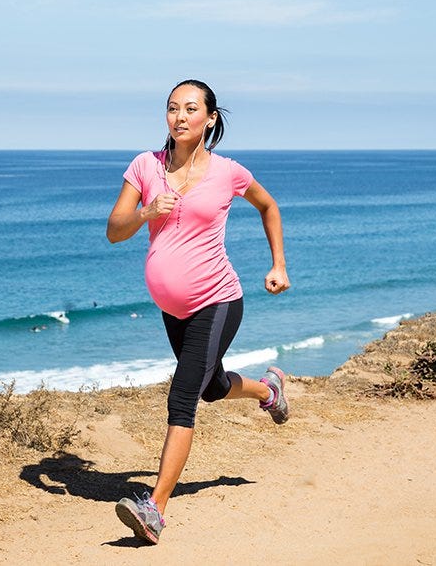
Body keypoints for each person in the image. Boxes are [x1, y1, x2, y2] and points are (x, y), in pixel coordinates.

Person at [106, 79, 291, 545]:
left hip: (218, 299)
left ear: (210, 119)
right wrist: (148, 211)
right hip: (174, 308)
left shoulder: (228, 172)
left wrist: (278, 264)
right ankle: (269, 391)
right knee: (210, 387)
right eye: (172, 108)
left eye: (191, 109)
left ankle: (154, 510)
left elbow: (269, 206)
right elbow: (114, 230)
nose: (180, 116)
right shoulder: (144, 166)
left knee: (183, 395)